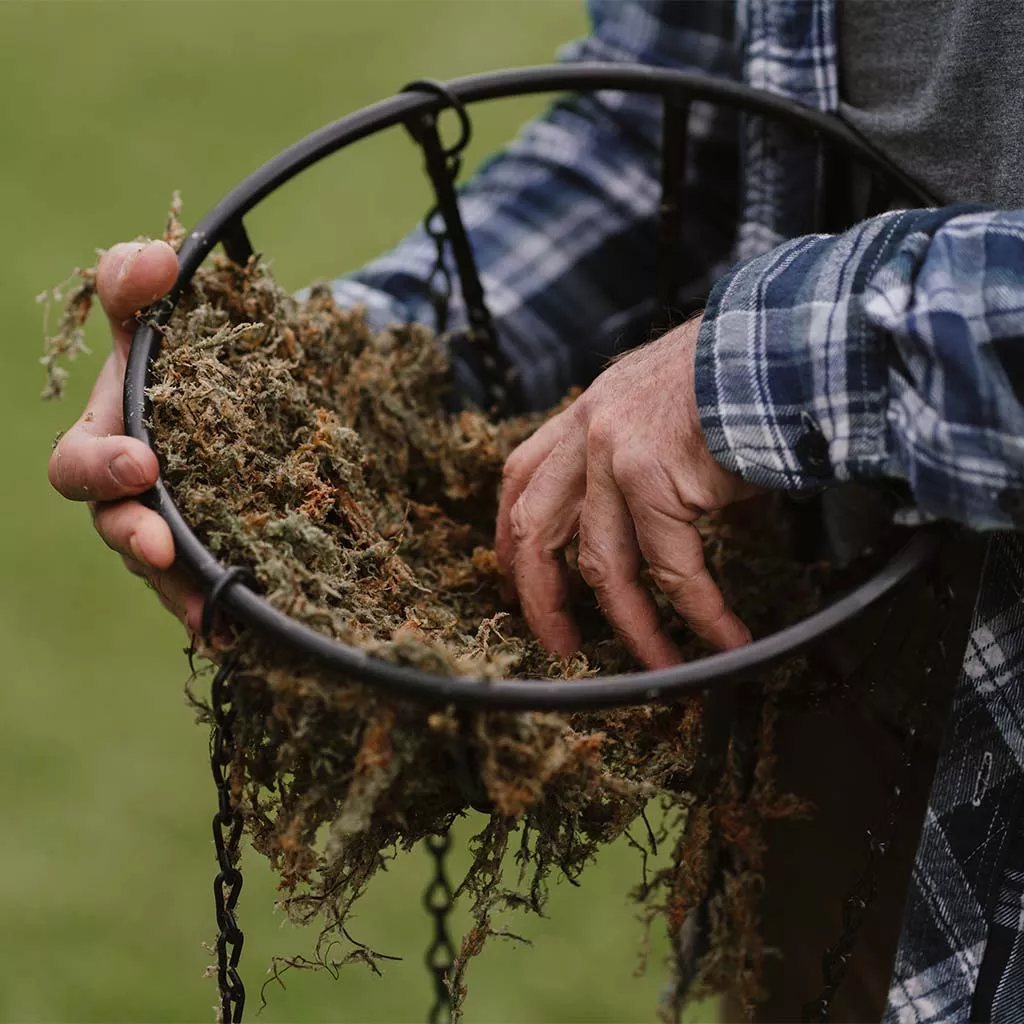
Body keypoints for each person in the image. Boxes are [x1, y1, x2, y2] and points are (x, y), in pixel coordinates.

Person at [48, 1, 1024, 1020]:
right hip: (833, 678)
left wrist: (775, 364)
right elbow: (658, 137)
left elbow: (751, 354)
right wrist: (305, 391)